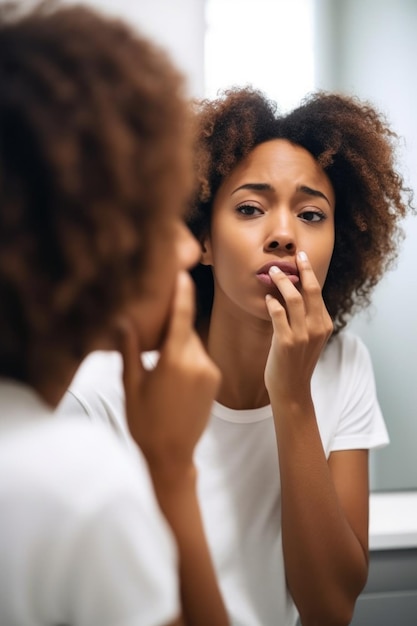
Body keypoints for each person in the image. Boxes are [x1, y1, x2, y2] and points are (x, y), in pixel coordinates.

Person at [58, 87, 413, 626]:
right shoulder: (109, 387)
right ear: (201, 237)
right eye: (250, 208)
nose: (284, 235)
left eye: (312, 215)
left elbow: (330, 609)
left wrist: (293, 399)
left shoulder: (345, 364)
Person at [0, 2, 229, 625]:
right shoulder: (83, 489)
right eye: (163, 220)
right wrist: (171, 469)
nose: (187, 248)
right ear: (93, 239)